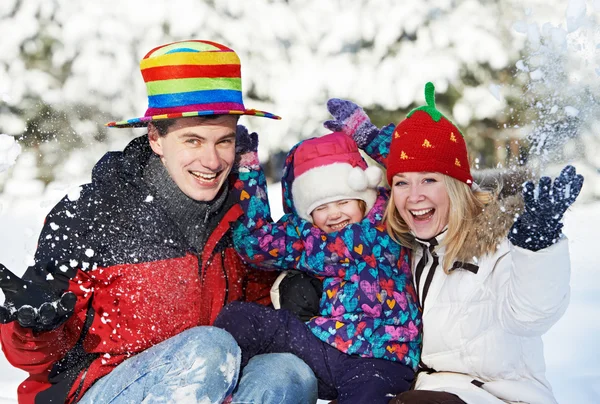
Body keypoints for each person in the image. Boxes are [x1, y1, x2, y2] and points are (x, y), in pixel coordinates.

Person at [0, 39, 317, 404]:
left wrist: (288, 290)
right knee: (210, 349)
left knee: (289, 372)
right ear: (156, 138)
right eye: (193, 141)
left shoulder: (241, 214)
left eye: (224, 141)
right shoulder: (93, 215)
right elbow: (35, 359)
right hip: (101, 391)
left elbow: (256, 304)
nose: (212, 161)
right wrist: (36, 325)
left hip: (213, 385)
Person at [323, 82, 584, 404]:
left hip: (497, 395)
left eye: (430, 180)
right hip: (416, 388)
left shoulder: (498, 242)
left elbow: (530, 316)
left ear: (457, 186)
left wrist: (537, 246)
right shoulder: (404, 246)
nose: (414, 196)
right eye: (402, 183)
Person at [213, 128, 422, 404]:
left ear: (365, 199)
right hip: (325, 343)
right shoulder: (309, 239)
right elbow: (255, 243)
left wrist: (365, 135)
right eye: (321, 207)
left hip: (382, 356)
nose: (334, 214)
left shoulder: (389, 222)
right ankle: (217, 392)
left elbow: (415, 168)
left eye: (344, 201)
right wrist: (247, 168)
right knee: (238, 318)